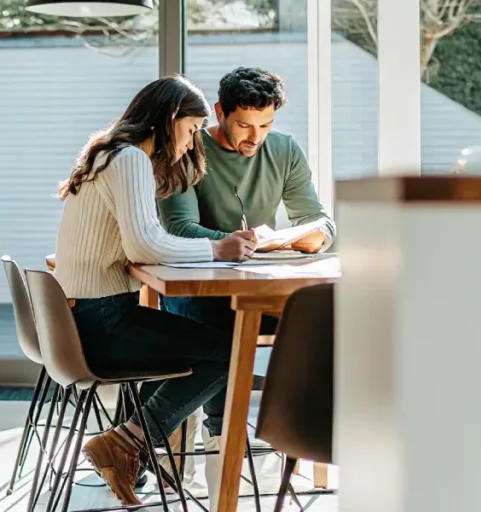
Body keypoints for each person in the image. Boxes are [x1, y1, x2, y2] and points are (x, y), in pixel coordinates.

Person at [53, 75, 256, 505]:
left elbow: (139, 241)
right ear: (168, 119)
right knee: (229, 352)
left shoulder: (107, 153)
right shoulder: (128, 158)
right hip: (101, 322)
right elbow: (144, 242)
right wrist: (218, 248)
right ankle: (125, 444)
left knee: (199, 352)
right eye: (191, 129)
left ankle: (127, 446)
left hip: (79, 319)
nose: (191, 142)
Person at [155, 66, 336, 505]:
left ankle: (293, 439)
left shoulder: (284, 150)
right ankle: (219, 452)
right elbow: (177, 227)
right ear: (220, 112)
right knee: (219, 329)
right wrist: (230, 243)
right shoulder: (188, 147)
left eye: (266, 124)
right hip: (196, 290)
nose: (256, 137)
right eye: (245, 125)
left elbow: (317, 219)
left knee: (316, 319)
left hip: (257, 284)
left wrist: (312, 235)